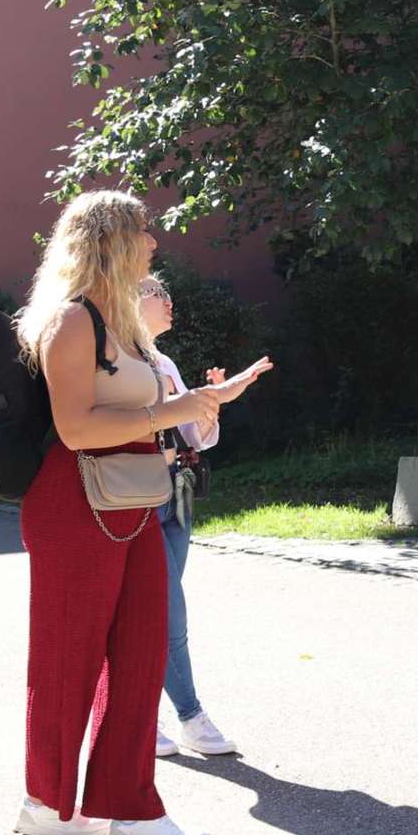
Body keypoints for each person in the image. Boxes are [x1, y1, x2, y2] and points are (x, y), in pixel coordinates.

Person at [11, 190, 241, 835]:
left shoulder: (121, 323)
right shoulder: (71, 321)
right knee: (69, 658)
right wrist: (173, 412)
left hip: (132, 500)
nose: (154, 243)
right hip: (75, 503)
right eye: (143, 230)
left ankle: (132, 811)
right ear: (110, 239)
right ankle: (47, 802)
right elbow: (77, 429)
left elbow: (147, 413)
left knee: (141, 653)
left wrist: (202, 402)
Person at [138, 274, 271, 759]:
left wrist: (213, 405)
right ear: (133, 301)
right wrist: (205, 398)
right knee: (168, 612)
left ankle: (141, 718)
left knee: (156, 612)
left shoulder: (164, 361)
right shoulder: (121, 359)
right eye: (158, 293)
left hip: (178, 495)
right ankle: (189, 716)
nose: (168, 300)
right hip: (140, 496)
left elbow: (191, 436)